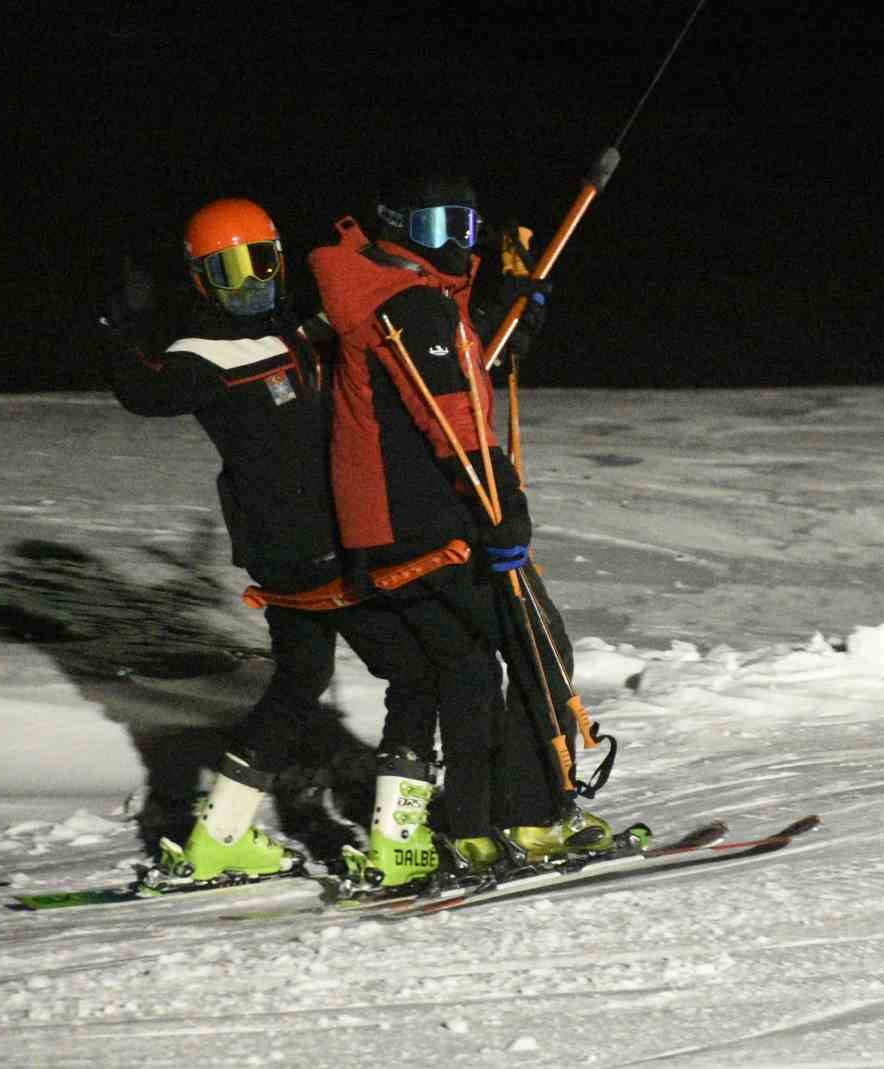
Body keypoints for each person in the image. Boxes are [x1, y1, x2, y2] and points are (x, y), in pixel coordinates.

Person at [99, 197, 464, 890]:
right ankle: (398, 843)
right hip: (319, 555)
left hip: (285, 559)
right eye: (228, 271)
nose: (250, 283)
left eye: (259, 263)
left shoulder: (294, 336)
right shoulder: (204, 355)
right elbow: (145, 393)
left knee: (299, 680)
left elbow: (370, 318)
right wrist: (125, 324)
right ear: (202, 282)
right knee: (418, 672)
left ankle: (218, 839)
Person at [309, 171, 615, 871]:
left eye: (466, 228)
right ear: (398, 227)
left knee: (470, 668)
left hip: (384, 532)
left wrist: (508, 313)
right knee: (542, 646)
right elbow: (453, 417)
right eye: (438, 226)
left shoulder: (380, 297)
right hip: (439, 528)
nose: (456, 242)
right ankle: (531, 817)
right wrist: (506, 514)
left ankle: (471, 827)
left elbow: (454, 373)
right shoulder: (413, 308)